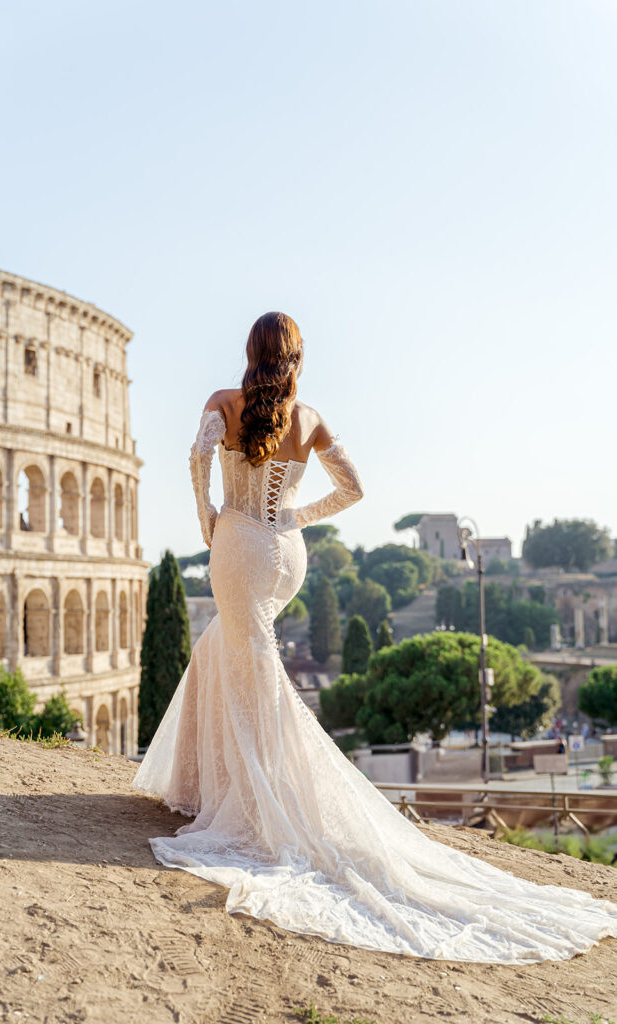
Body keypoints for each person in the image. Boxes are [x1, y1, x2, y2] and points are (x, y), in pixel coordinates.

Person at [132, 312, 617, 964]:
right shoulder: (309, 420)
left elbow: (197, 457)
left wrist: (208, 518)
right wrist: (295, 517)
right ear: (296, 356)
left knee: (257, 670)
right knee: (229, 650)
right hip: (286, 550)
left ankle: (269, 798)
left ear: (251, 352)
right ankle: (209, 785)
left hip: (239, 542)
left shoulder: (223, 402)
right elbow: (354, 489)